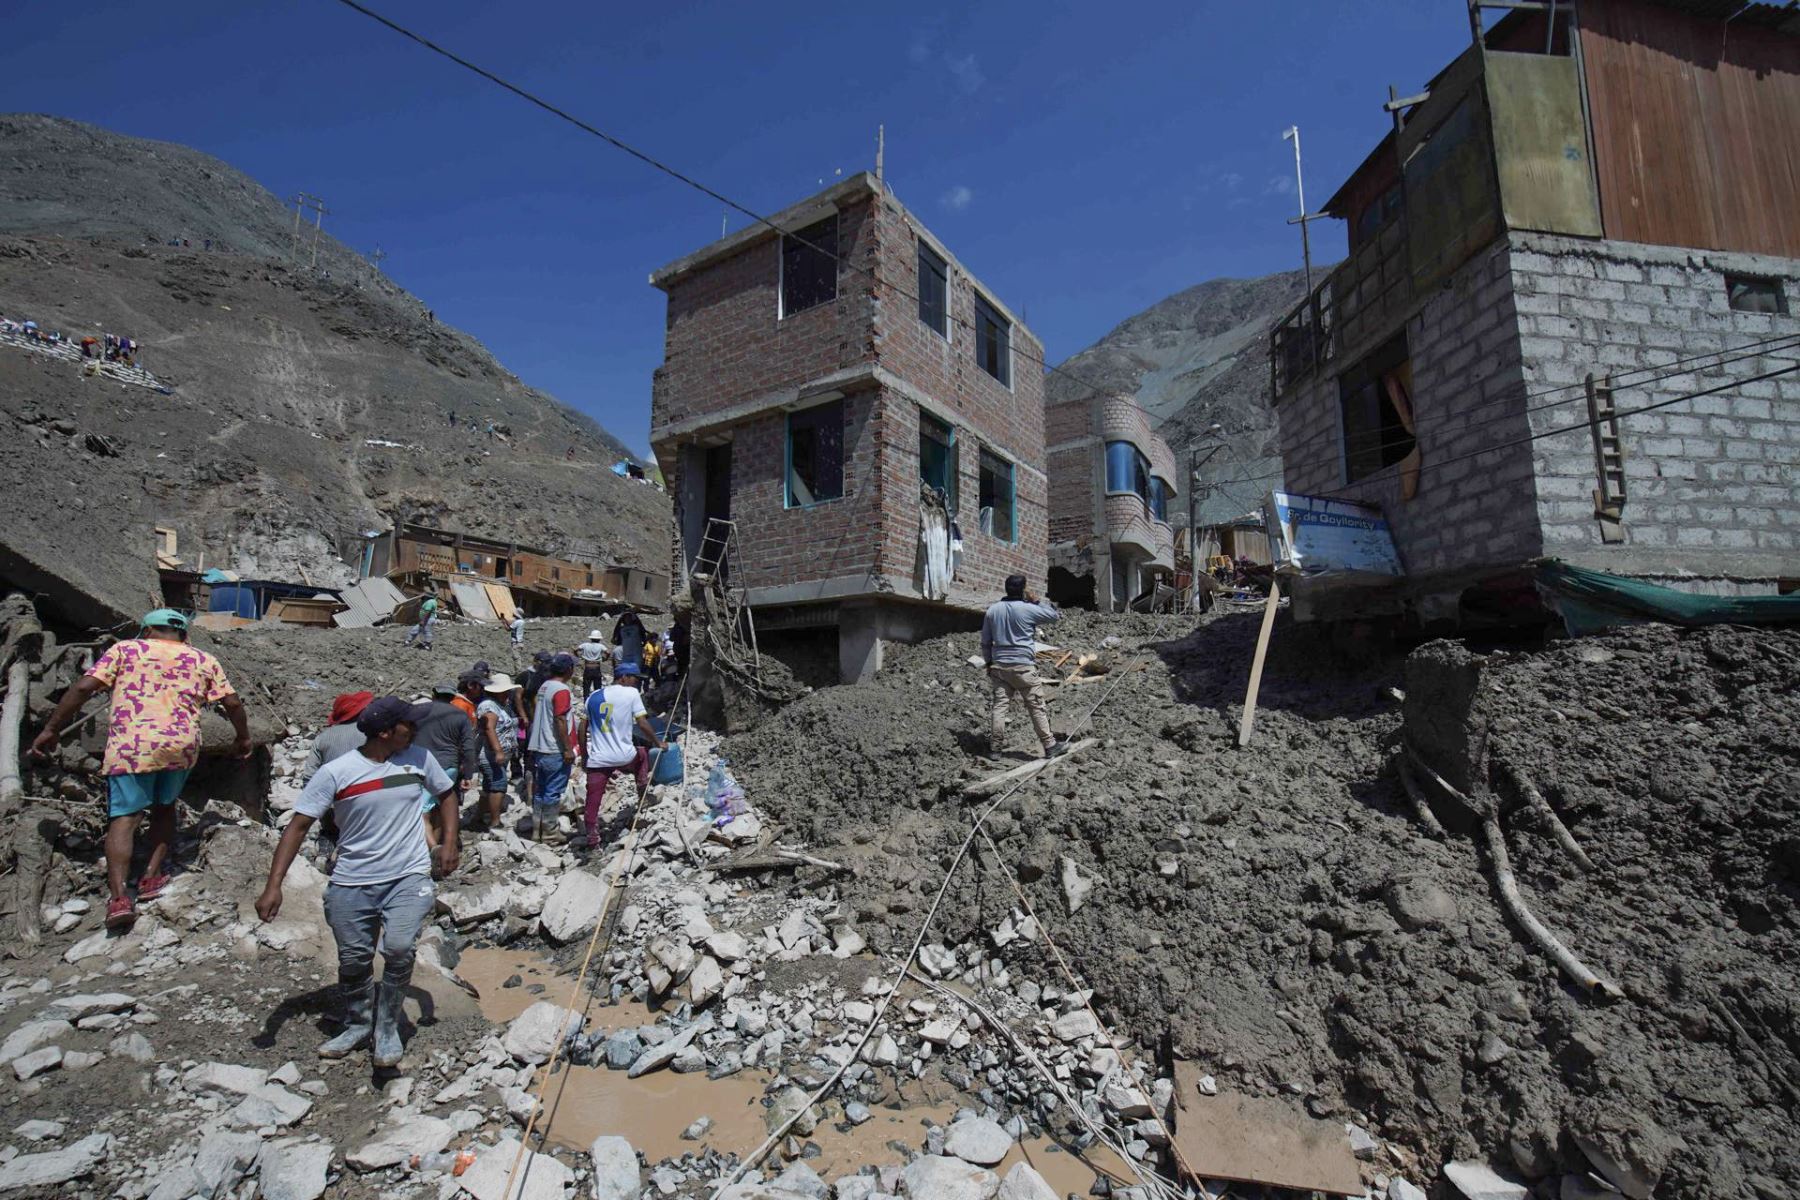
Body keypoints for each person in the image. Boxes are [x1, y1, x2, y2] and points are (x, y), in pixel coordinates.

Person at [255, 696, 457, 1068]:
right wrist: (274, 885)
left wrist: (449, 843)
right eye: (408, 724)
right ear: (385, 732)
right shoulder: (338, 772)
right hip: (353, 880)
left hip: (408, 875)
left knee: (399, 947)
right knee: (354, 959)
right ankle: (359, 1022)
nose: (416, 729)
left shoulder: (419, 759)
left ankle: (387, 1028)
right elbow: (298, 827)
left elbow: (446, 793)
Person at [30, 610, 250, 929]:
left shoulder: (125, 650)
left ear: (147, 630)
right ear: (184, 634)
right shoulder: (203, 659)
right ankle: (151, 877)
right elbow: (232, 703)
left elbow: (83, 688)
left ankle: (119, 898)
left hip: (133, 746)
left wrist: (52, 729)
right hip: (181, 745)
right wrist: (243, 738)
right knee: (164, 807)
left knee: (125, 817)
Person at [577, 662, 666, 851]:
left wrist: (585, 756)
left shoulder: (593, 696)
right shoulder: (631, 693)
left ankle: (593, 842)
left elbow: (582, 727)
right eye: (634, 679)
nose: (636, 683)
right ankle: (642, 793)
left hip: (598, 760)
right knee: (642, 754)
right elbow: (642, 723)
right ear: (624, 677)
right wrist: (658, 742)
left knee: (592, 801)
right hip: (625, 756)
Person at [981, 575, 1067, 760]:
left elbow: (985, 642)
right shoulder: (1029, 609)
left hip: (999, 667)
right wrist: (1036, 599)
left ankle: (995, 749)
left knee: (1000, 707)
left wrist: (988, 663)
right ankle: (1050, 745)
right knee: (1036, 706)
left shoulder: (992, 610)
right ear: (1023, 590)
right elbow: (1054, 616)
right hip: (1023, 667)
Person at [525, 654, 578, 843]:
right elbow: (560, 719)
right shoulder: (561, 690)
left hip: (540, 747)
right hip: (554, 748)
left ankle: (536, 830)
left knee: (541, 790)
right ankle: (549, 832)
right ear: (568, 670)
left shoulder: (545, 686)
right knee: (553, 792)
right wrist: (568, 748)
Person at [472, 674, 518, 832]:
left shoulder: (499, 705)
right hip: (490, 754)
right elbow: (489, 728)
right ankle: (495, 821)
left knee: (489, 785)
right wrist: (498, 751)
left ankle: (478, 817)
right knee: (498, 785)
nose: (508, 694)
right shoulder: (489, 706)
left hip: (497, 753)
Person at [575, 629, 612, 696]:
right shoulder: (601, 646)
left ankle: (586, 700)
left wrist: (578, 656)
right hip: (596, 668)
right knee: (597, 688)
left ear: (591, 638)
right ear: (599, 639)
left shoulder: (585, 645)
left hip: (588, 668)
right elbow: (608, 652)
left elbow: (575, 649)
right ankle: (596, 700)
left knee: (586, 687)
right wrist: (605, 658)